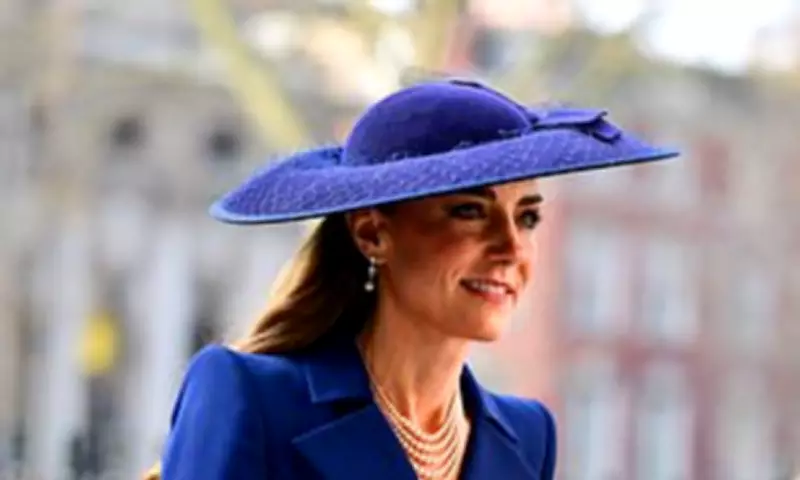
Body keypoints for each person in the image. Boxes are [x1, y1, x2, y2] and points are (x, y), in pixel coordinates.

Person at [146, 79, 678, 479]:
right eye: (470, 212)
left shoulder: (528, 436)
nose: (512, 248)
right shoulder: (251, 396)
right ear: (372, 233)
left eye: (528, 217)